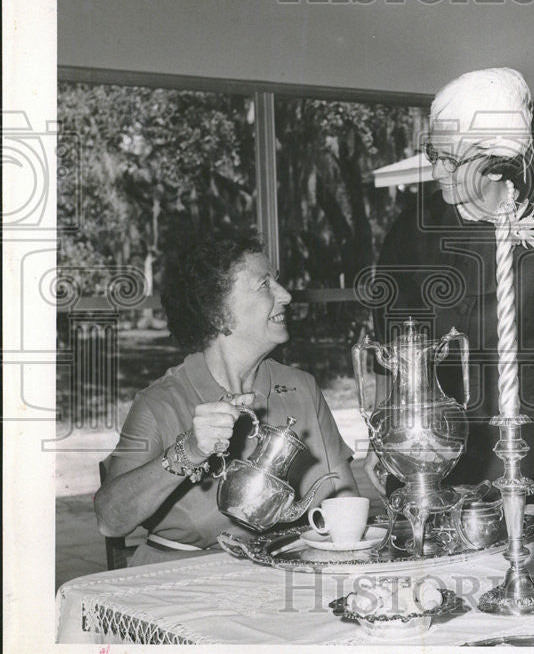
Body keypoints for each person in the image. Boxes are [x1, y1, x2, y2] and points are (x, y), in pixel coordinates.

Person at [367, 68, 534, 498]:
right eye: (433, 154)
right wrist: (384, 433)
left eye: (450, 160)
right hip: (426, 442)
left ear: (495, 166)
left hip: (517, 442)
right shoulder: (412, 231)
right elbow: (389, 343)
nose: (436, 171)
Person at [95, 229, 358, 566]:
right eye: (264, 284)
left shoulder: (301, 387)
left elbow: (341, 497)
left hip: (277, 573)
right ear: (219, 315)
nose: (287, 296)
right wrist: (188, 451)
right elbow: (109, 519)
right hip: (179, 584)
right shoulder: (160, 403)